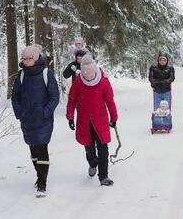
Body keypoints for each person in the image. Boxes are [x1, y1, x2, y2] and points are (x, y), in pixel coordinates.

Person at [12, 45, 60, 197]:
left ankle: (42, 181)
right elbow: (15, 97)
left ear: (36, 57)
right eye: (24, 59)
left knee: (41, 147)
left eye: (29, 58)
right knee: (33, 148)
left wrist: (45, 112)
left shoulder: (46, 73)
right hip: (27, 119)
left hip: (43, 119)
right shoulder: (21, 75)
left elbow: (54, 96)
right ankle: (39, 174)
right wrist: (20, 113)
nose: (26, 61)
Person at [66, 54, 118, 186]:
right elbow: (72, 100)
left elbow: (110, 101)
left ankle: (103, 176)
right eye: (86, 75)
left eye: (91, 75)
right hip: (84, 121)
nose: (89, 77)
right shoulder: (78, 82)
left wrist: (114, 118)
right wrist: (70, 117)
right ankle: (93, 163)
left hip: (100, 120)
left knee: (103, 148)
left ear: (95, 71)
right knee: (89, 148)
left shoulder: (103, 82)